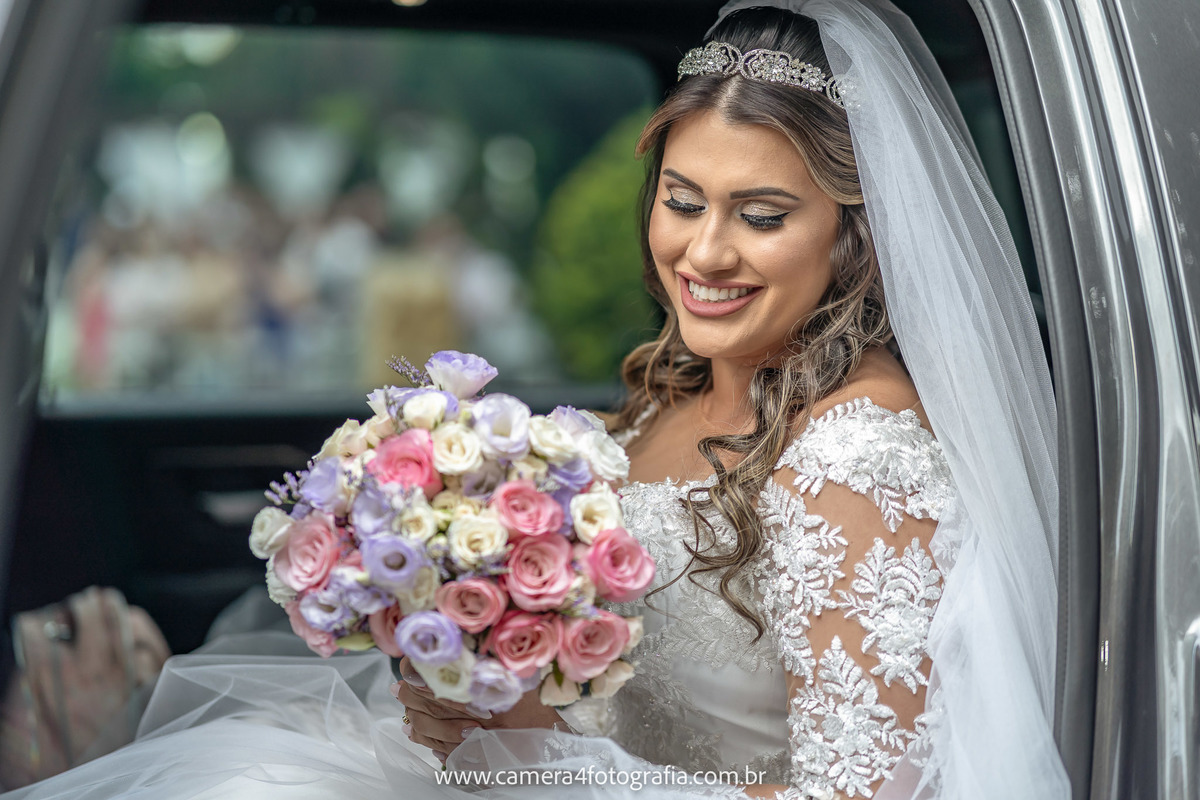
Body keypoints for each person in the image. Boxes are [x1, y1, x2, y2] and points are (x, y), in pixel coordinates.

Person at [1, 1, 1069, 799]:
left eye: (761, 213)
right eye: (684, 200)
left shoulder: (860, 449)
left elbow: (860, 791)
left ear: (853, 232)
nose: (704, 250)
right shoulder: (671, 394)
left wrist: (528, 760)